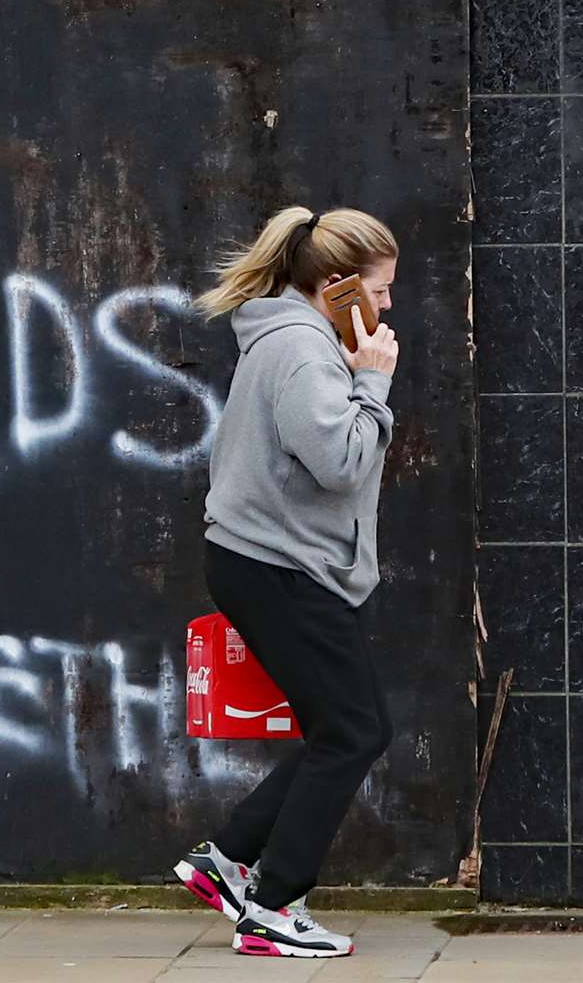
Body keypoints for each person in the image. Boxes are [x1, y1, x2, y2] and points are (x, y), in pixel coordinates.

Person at [171, 206, 401, 959]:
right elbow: (340, 464)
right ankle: (272, 908)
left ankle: (230, 858)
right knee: (354, 731)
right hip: (279, 566)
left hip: (266, 561)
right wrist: (373, 384)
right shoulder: (304, 352)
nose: (389, 303)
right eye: (381, 287)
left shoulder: (293, 338)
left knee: (346, 727)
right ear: (339, 287)